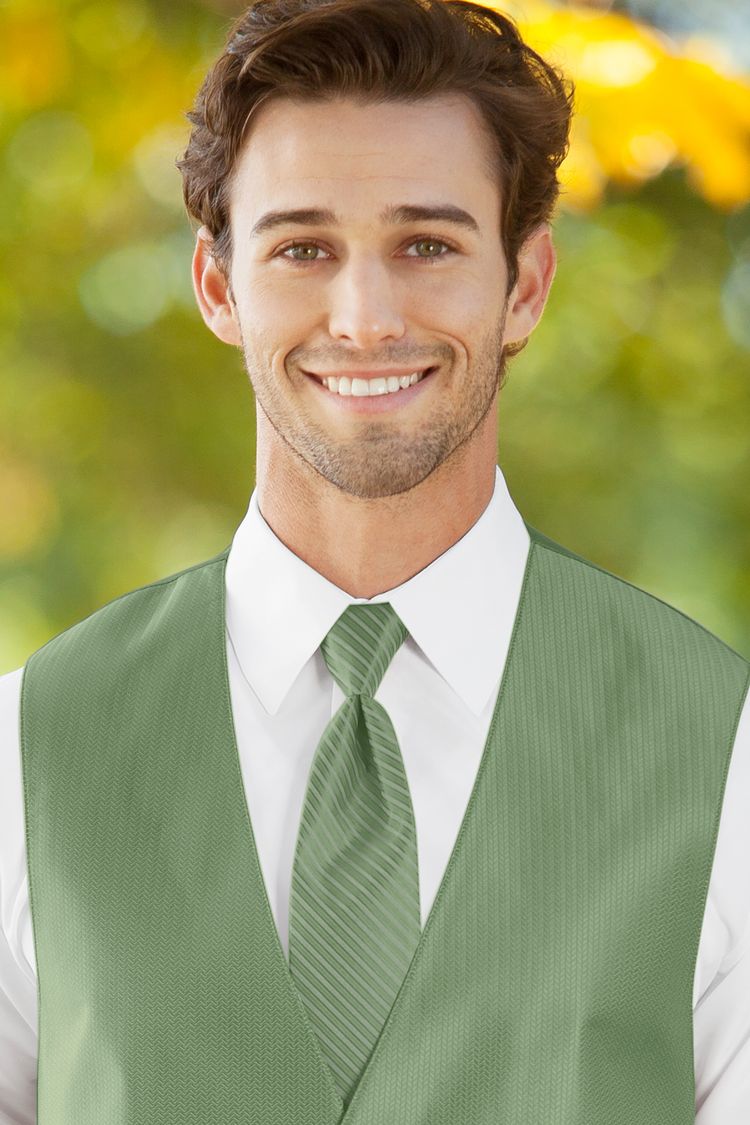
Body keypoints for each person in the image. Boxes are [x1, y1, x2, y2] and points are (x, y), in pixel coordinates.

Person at [0, 0, 748, 1120]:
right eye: (303, 247)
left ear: (526, 286)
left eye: (427, 244)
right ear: (218, 286)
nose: (362, 317)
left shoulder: (726, 760)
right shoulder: (25, 754)